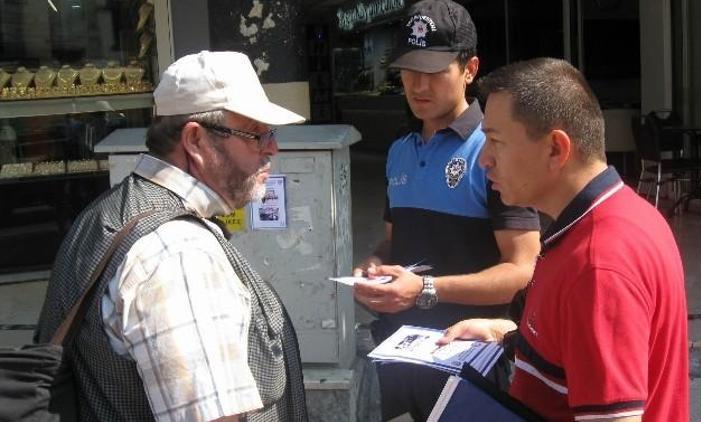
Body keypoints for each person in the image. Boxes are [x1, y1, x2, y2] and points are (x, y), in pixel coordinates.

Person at [35, 51, 308, 421]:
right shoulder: (179, 254)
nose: (272, 148)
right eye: (256, 134)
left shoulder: (113, 208)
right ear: (196, 141)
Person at [439, 58, 689, 421]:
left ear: (556, 149)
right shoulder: (619, 215)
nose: (484, 160)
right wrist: (506, 334)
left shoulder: (597, 265)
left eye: (494, 141)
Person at [352, 1, 541, 420]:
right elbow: (393, 238)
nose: (418, 85)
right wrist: (376, 265)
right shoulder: (401, 150)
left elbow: (523, 270)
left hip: (473, 361)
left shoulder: (493, 151)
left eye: (435, 71)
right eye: (408, 70)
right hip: (402, 354)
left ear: (469, 69)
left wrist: (425, 290)